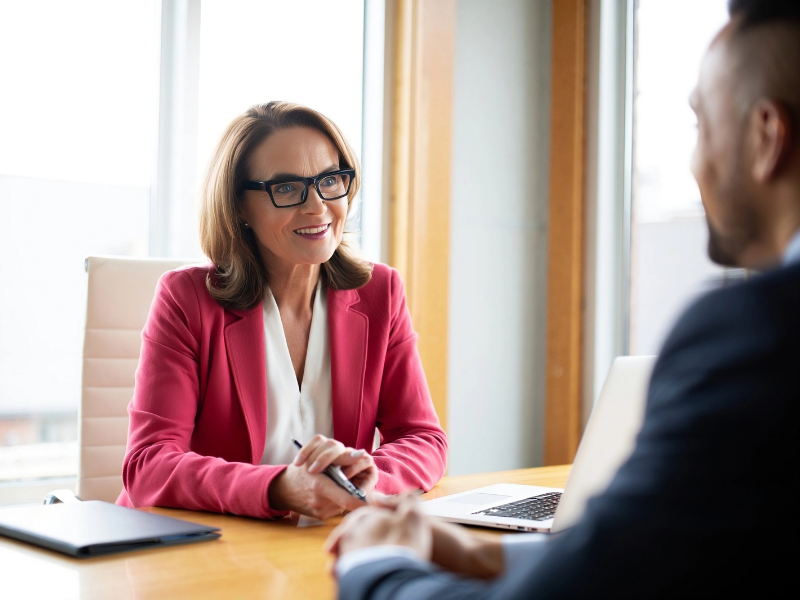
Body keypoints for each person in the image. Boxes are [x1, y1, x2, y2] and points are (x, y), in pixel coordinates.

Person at [326, 0, 800, 596]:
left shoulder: (755, 334)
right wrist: (487, 555)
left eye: (702, 126)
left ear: (766, 137)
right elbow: (672, 554)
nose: (695, 162)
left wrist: (377, 567)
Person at [118, 101, 447, 520]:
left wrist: (369, 478)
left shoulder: (380, 293)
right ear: (238, 205)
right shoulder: (187, 300)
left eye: (330, 180)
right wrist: (278, 488)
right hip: (201, 550)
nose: (317, 207)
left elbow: (423, 438)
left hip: (317, 545)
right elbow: (148, 466)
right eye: (287, 188)